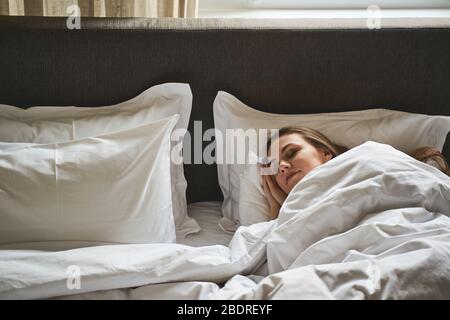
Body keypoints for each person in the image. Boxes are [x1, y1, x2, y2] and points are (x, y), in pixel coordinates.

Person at [260, 126, 450, 220]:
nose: (282, 166)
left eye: (291, 153)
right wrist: (278, 212)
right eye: (275, 168)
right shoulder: (288, 215)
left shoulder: (369, 157)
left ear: (325, 153)